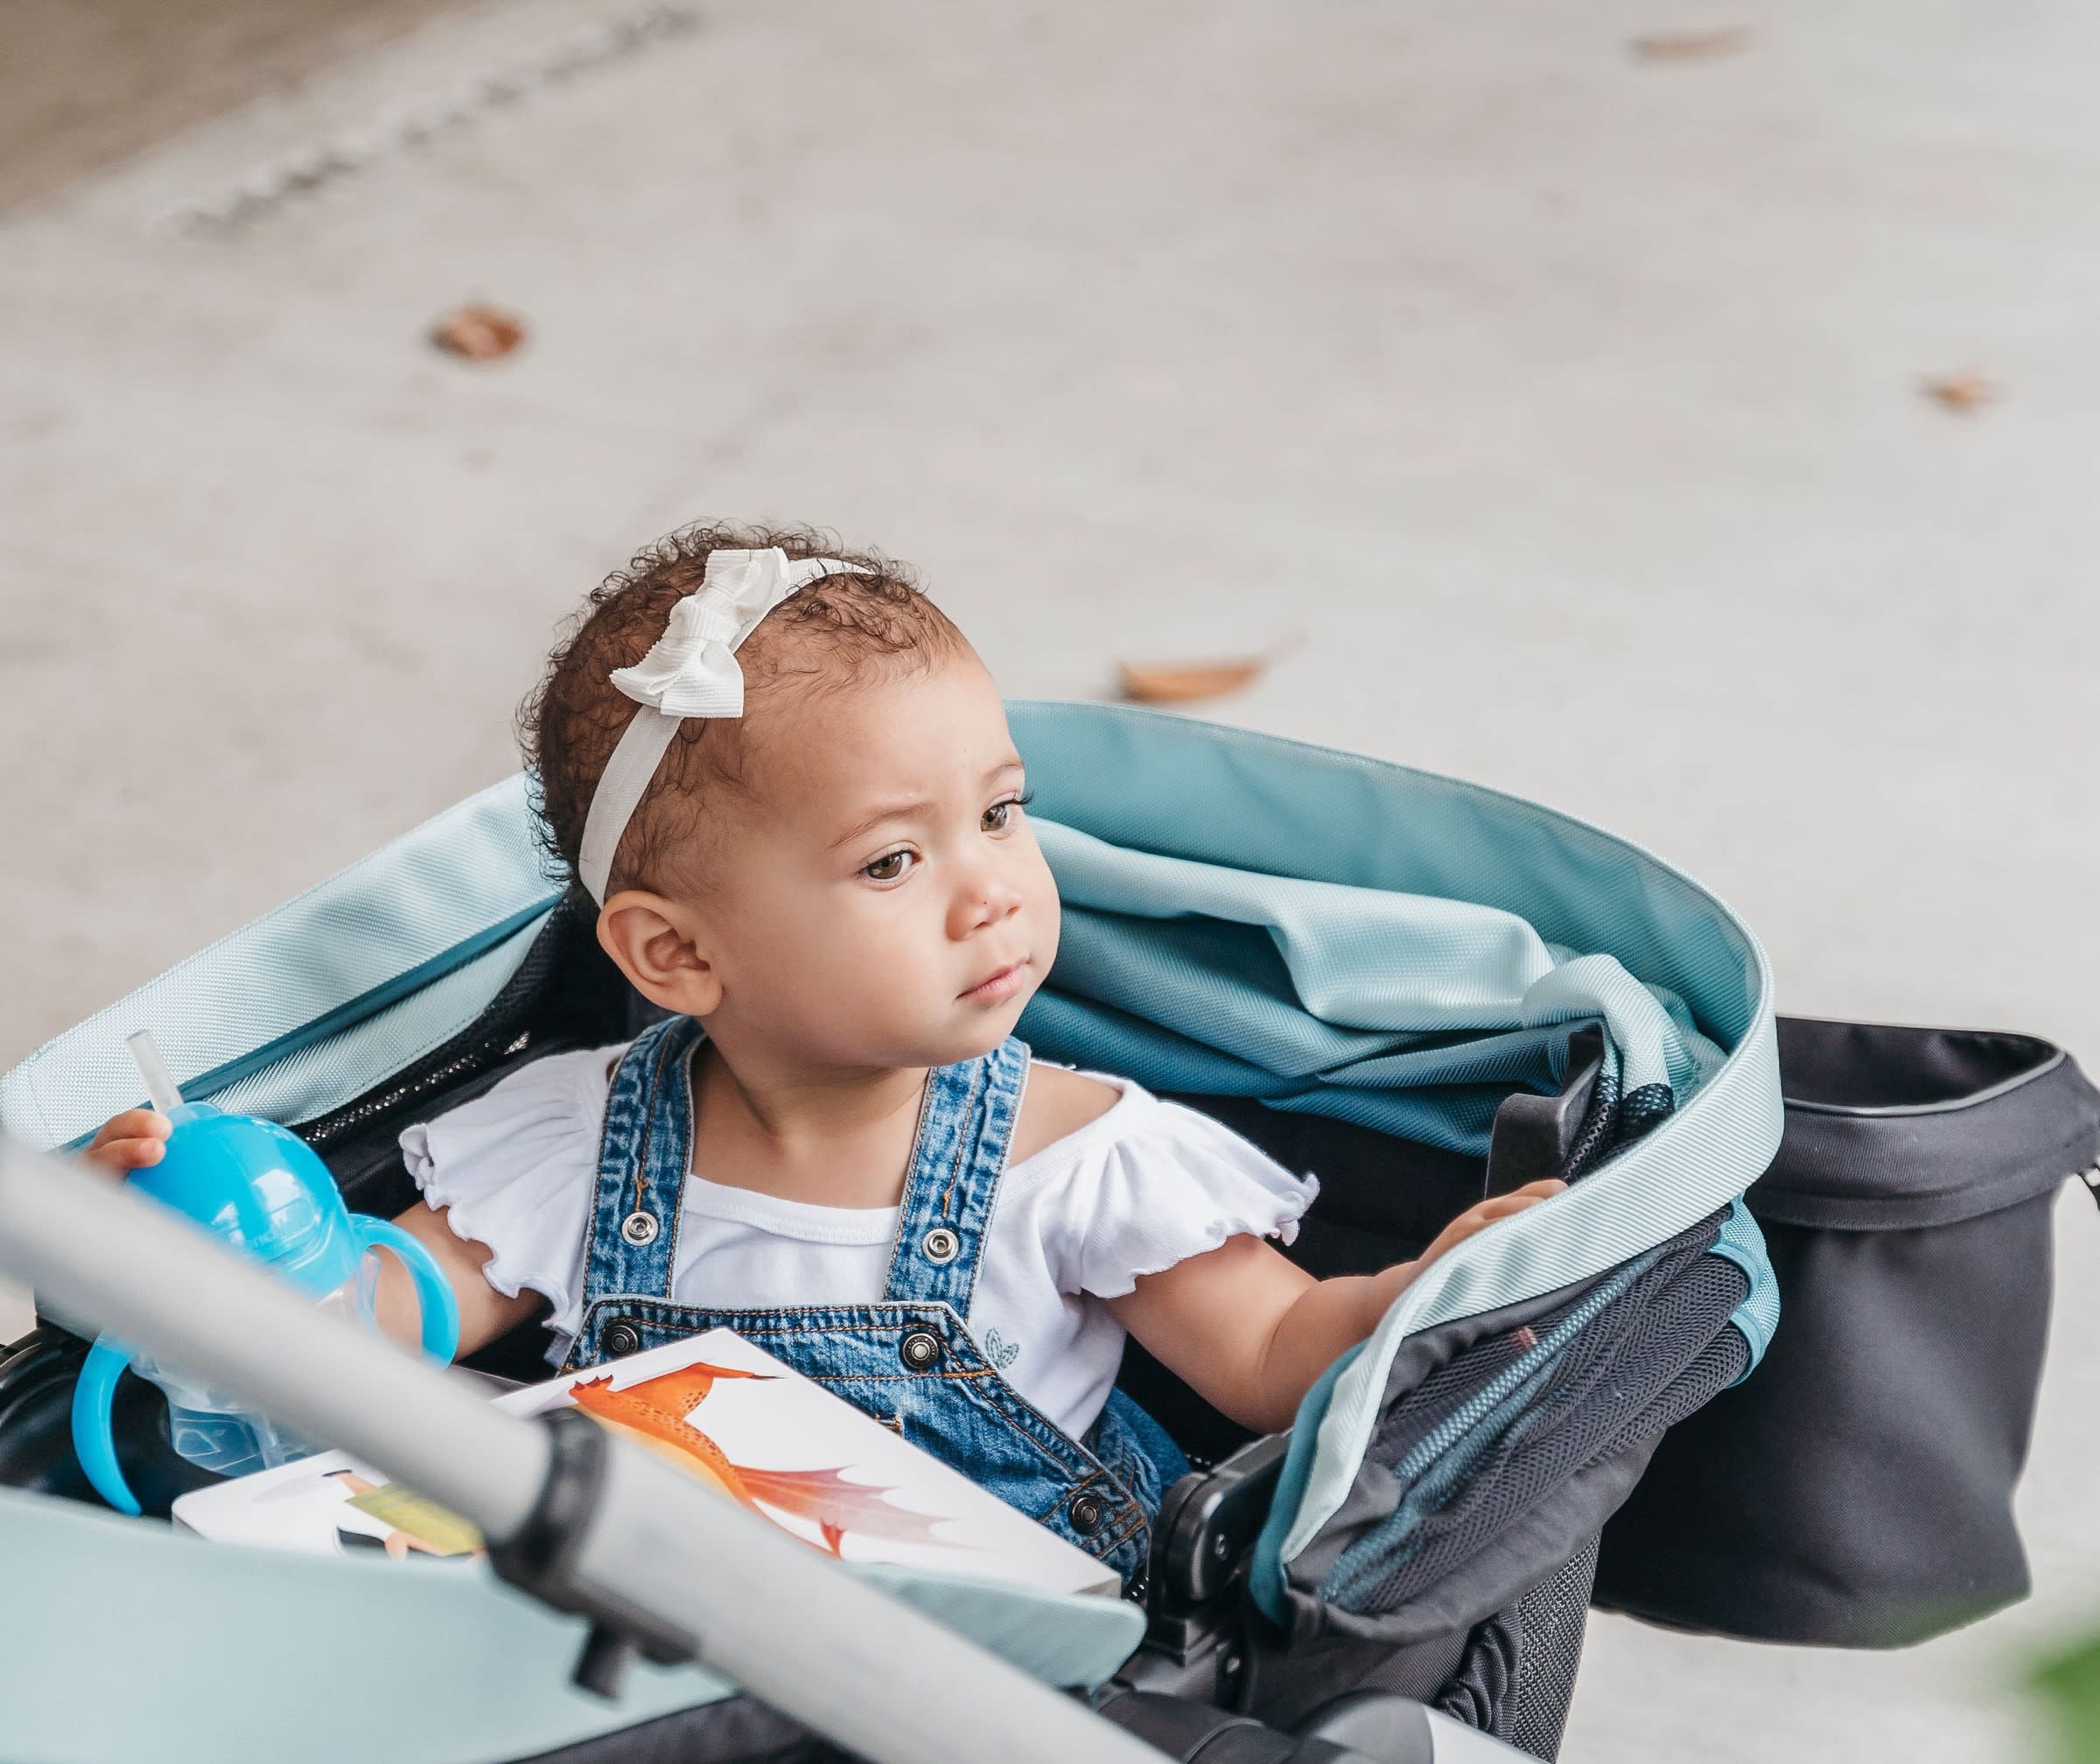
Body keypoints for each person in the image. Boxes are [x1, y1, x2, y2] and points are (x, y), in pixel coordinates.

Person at [86, 525, 1560, 1590]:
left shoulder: (1071, 1153)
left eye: (1001, 812)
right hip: (654, 1641)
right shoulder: (576, 1142)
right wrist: (209, 1245)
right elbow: (378, 1329)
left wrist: (1423, 1290)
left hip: (992, 1673)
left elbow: (1270, 1362)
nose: (992, 888)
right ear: (675, 957)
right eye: (892, 863)